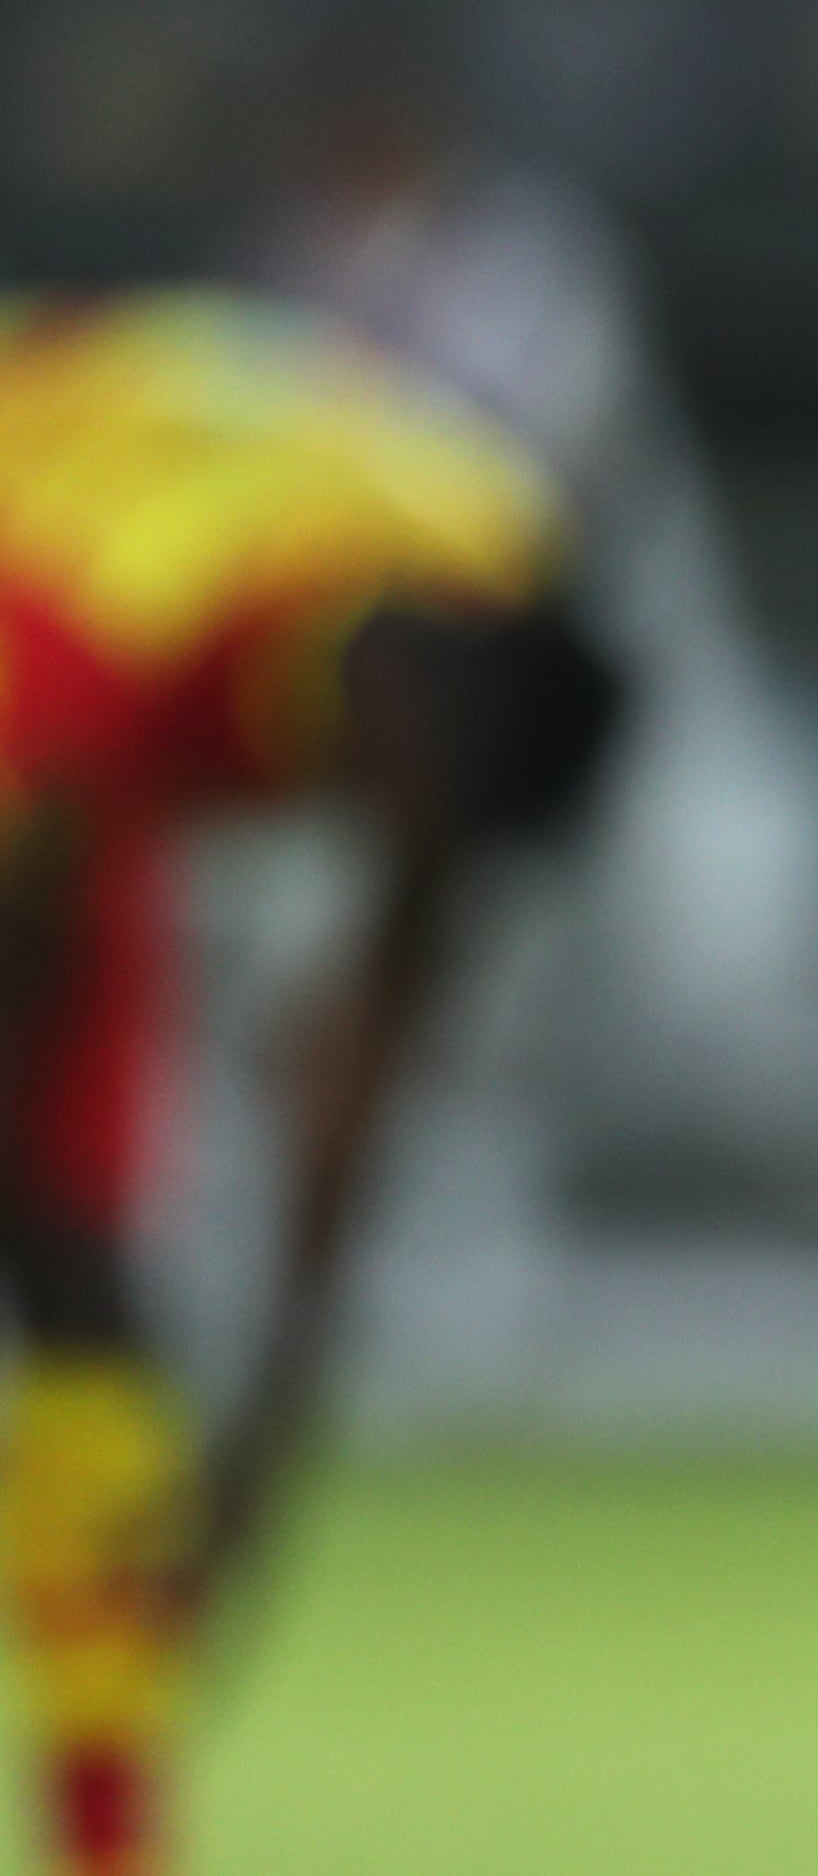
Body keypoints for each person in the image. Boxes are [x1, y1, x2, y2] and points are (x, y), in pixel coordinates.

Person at [0, 292, 622, 1876]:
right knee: (62, 1216)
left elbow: (364, 1063)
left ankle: (109, 1844)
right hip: (40, 619)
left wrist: (257, 1461)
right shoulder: (91, 642)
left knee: (85, 1284)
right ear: (390, 731)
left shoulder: (486, 575)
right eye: (406, 831)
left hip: (89, 696)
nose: (399, 875)